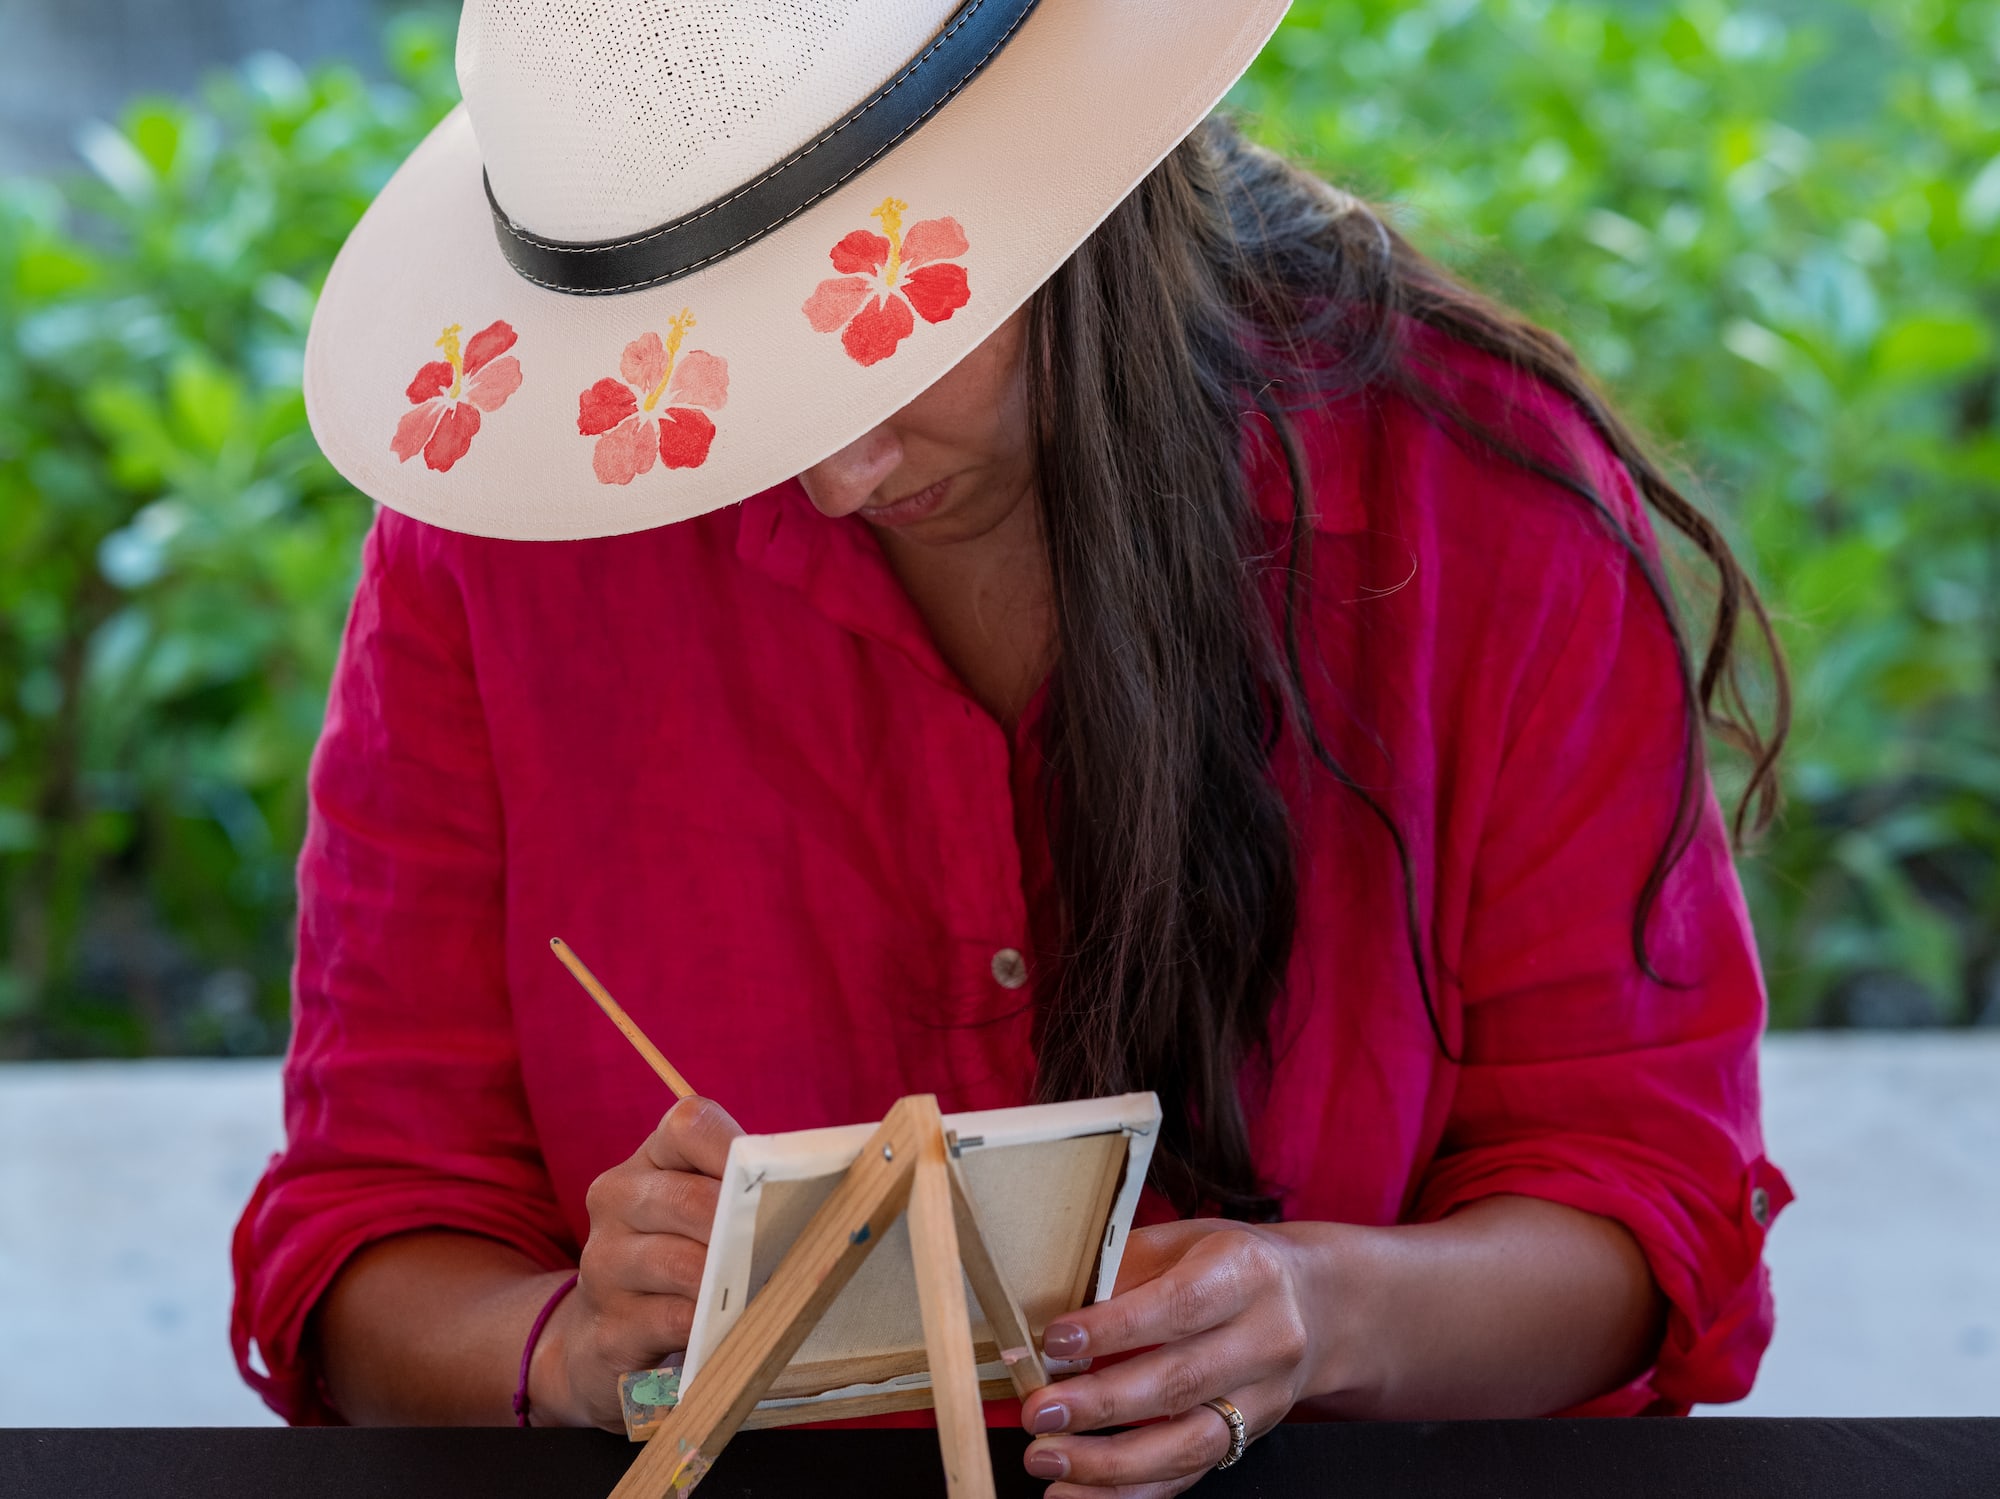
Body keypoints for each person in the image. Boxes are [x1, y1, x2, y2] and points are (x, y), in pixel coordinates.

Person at [232, 2, 1794, 1493]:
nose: (834, 468)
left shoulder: (1481, 514)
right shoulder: (512, 547)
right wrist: (567, 1351)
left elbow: (1640, 1205)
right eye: (723, 380)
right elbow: (368, 1234)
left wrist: (1323, 1313)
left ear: (1076, 195)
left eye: (874, 340)